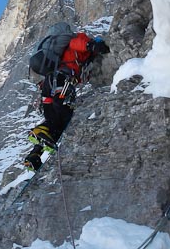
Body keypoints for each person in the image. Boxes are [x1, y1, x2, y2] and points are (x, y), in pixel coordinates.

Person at [24, 31, 110, 170]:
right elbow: (76, 42)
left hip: (50, 84)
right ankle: (38, 132)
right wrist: (91, 45)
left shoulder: (83, 59)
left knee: (56, 123)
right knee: (64, 113)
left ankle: (34, 156)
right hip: (60, 80)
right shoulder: (82, 40)